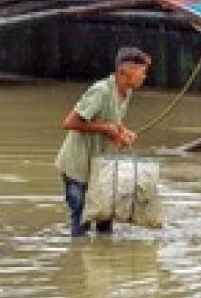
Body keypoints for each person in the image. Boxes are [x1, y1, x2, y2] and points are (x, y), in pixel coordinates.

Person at [56, 47, 152, 237]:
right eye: (142, 71)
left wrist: (122, 132)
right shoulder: (100, 91)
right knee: (81, 224)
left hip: (100, 168)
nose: (144, 76)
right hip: (78, 168)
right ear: (125, 71)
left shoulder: (126, 92)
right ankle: (78, 259)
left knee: (105, 222)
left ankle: (105, 260)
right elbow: (70, 122)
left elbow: (112, 120)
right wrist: (108, 129)